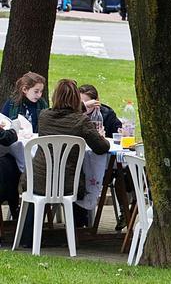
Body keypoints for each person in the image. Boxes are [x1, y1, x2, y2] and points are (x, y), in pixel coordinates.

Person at [19, 79, 110, 242]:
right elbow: (101, 148)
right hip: (67, 184)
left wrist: (82, 108)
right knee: (81, 180)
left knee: (41, 188)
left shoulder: (44, 116)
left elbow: (63, 115)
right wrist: (102, 137)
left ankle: (28, 237)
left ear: (56, 96)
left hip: (36, 181)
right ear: (76, 98)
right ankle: (78, 229)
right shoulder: (81, 121)